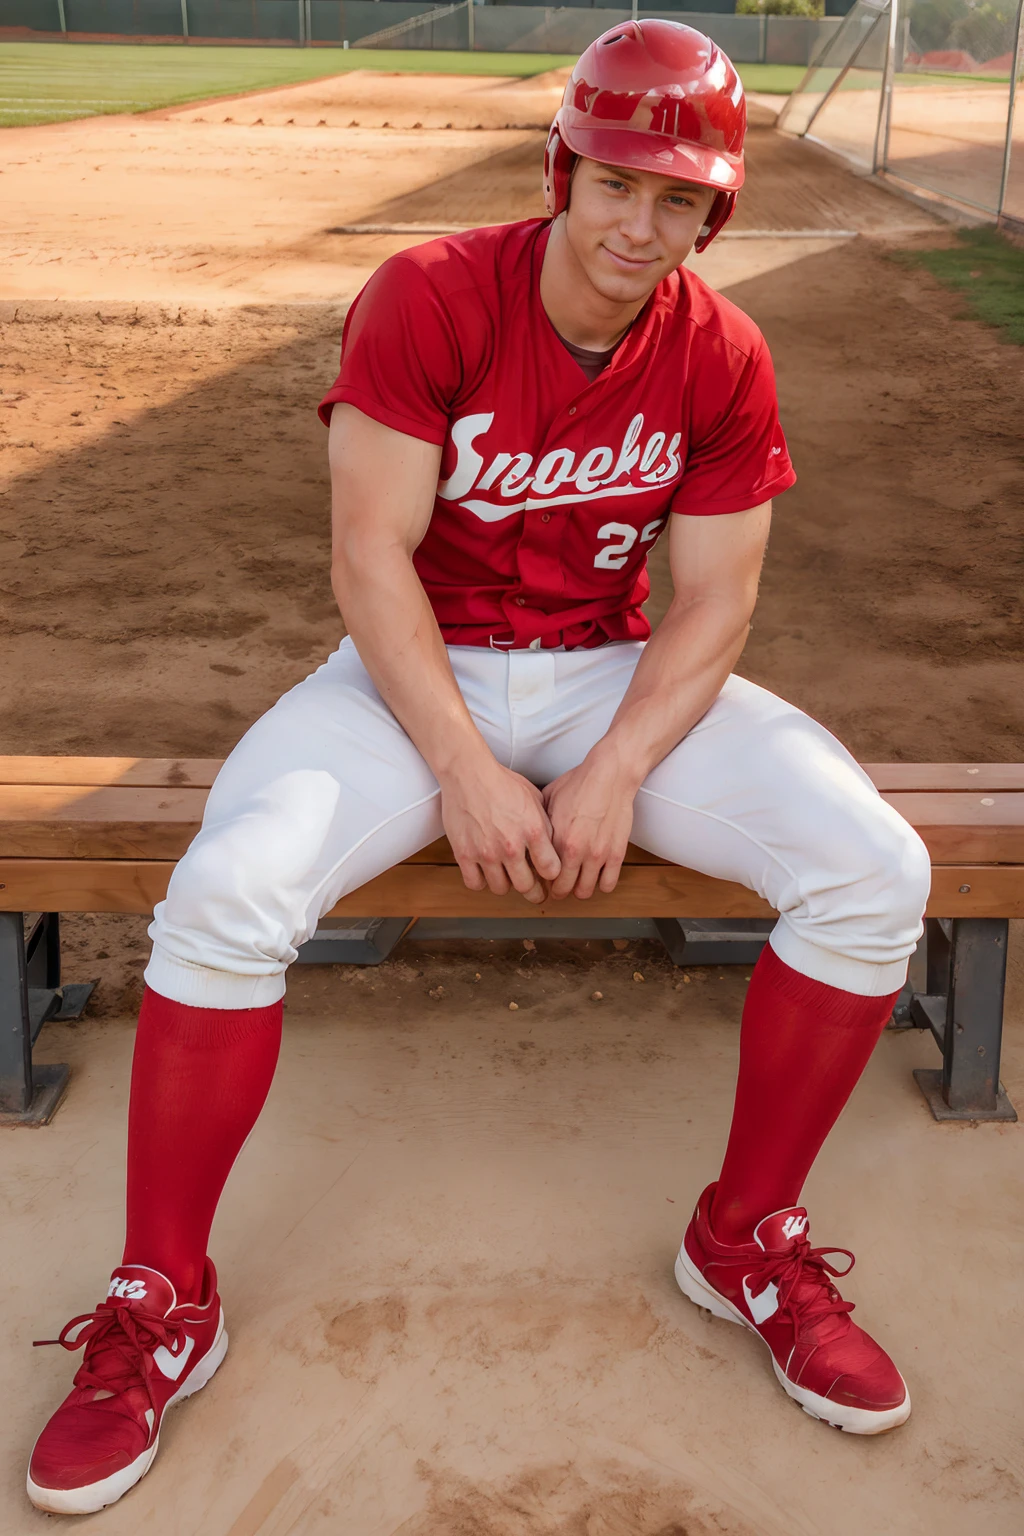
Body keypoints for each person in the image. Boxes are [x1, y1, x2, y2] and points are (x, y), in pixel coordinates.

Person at [27, 19, 930, 1515]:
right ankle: (161, 1302)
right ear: (563, 166)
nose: (644, 225)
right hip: (405, 678)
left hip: (610, 679)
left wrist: (617, 765)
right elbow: (368, 553)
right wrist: (459, 762)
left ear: (716, 211)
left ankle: (746, 1236)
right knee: (227, 894)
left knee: (874, 870)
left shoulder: (720, 350)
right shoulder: (434, 294)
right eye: (620, 183)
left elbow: (716, 603)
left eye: (682, 199)